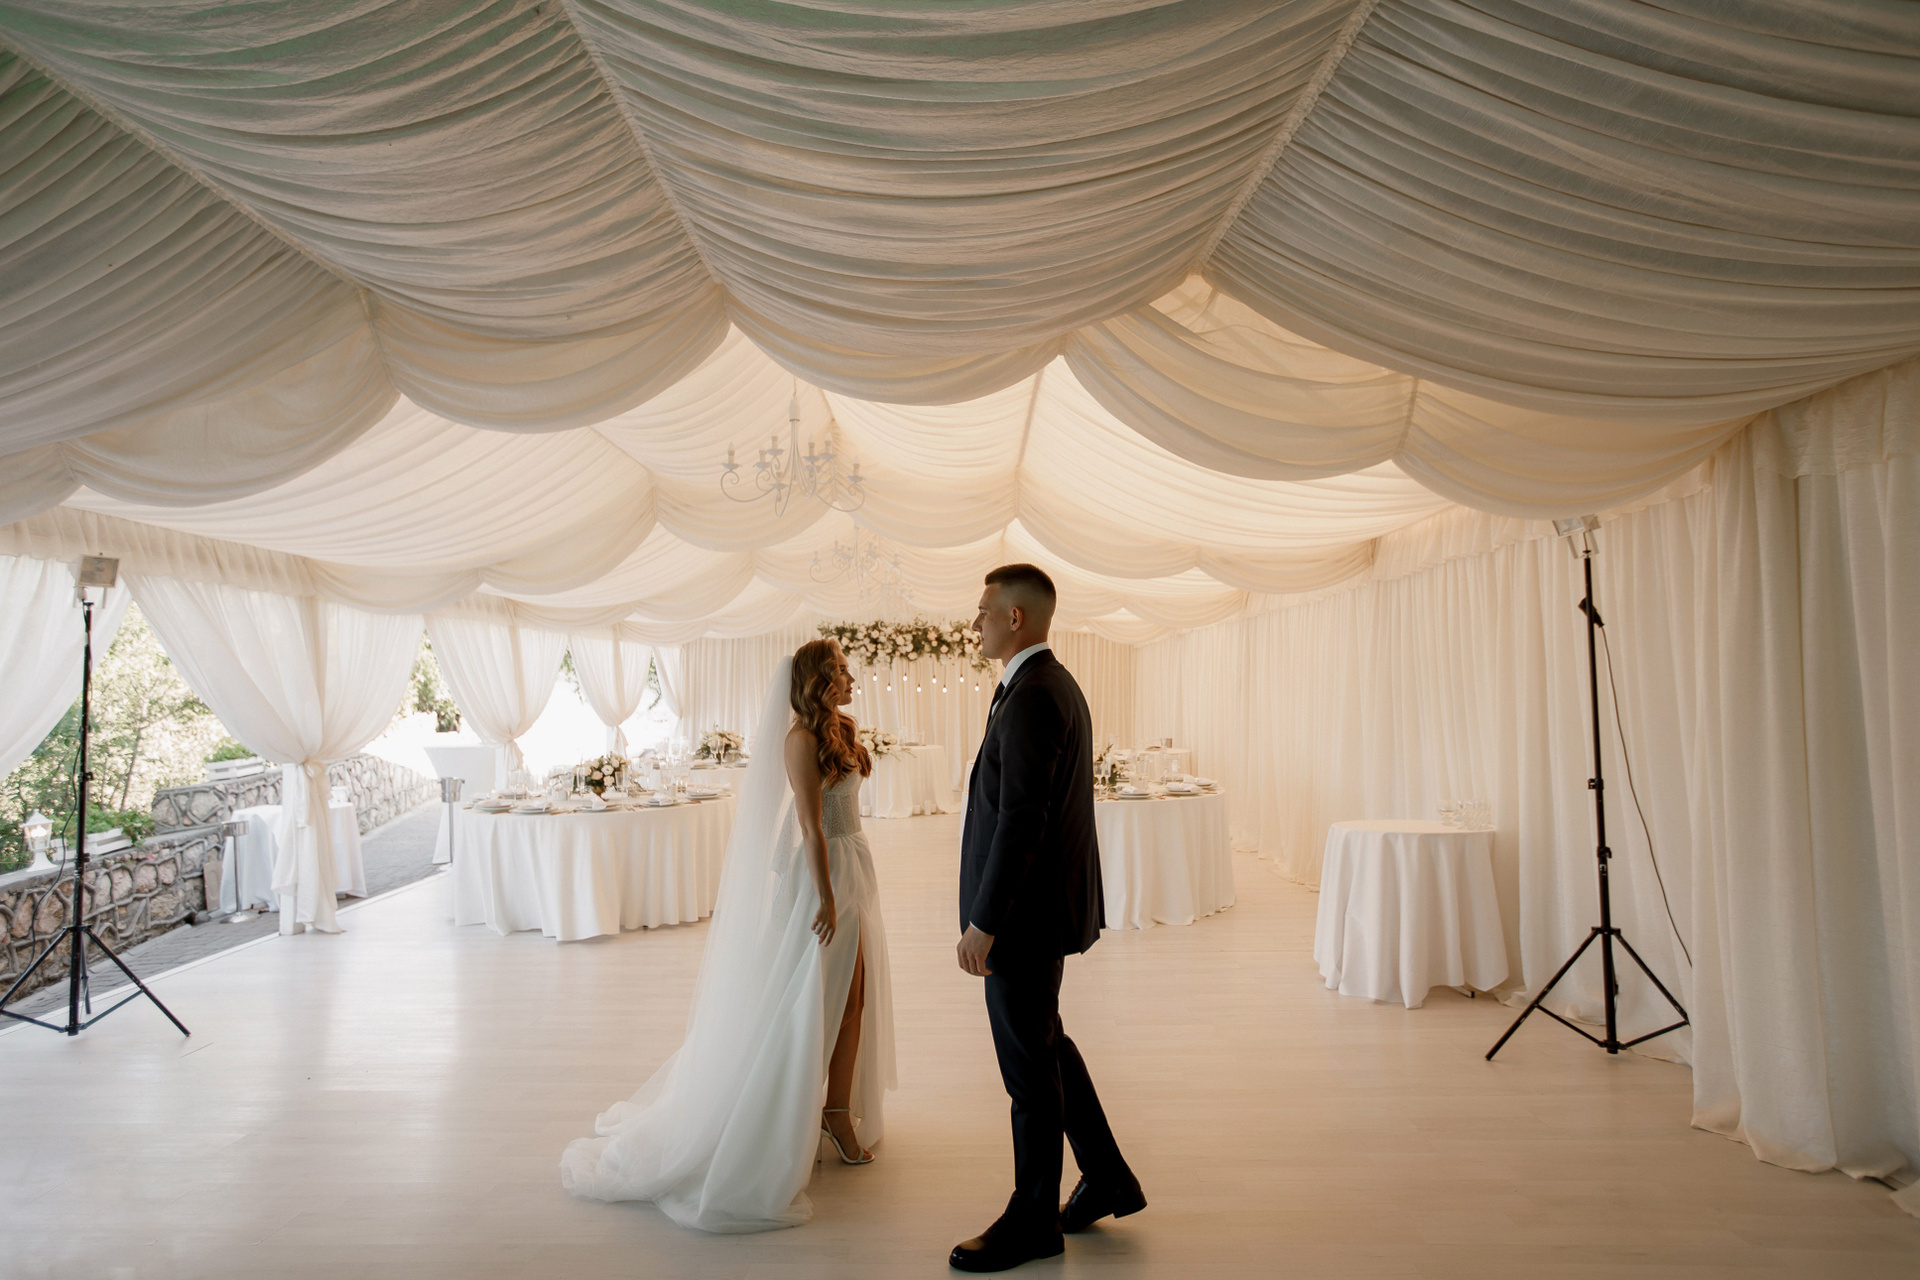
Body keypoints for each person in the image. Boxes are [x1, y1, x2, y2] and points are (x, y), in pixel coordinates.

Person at [560, 639, 895, 1232]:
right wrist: (824, 896)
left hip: (854, 865)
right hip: (823, 876)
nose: (851, 679)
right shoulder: (800, 741)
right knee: (809, 1001)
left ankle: (836, 1110)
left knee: (857, 1000)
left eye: (848, 670)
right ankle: (795, 1111)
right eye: (841, 672)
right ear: (816, 681)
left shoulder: (843, 729)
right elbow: (809, 827)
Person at [950, 564, 1145, 1272]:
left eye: (983, 611)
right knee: (1047, 1045)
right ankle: (1107, 1177)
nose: (974, 623)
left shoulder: (1035, 694)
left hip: (1022, 917)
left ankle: (1035, 1218)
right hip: (1034, 909)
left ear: (1016, 619)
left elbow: (1022, 820)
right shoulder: (1041, 684)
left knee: (1028, 1070)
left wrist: (984, 920)